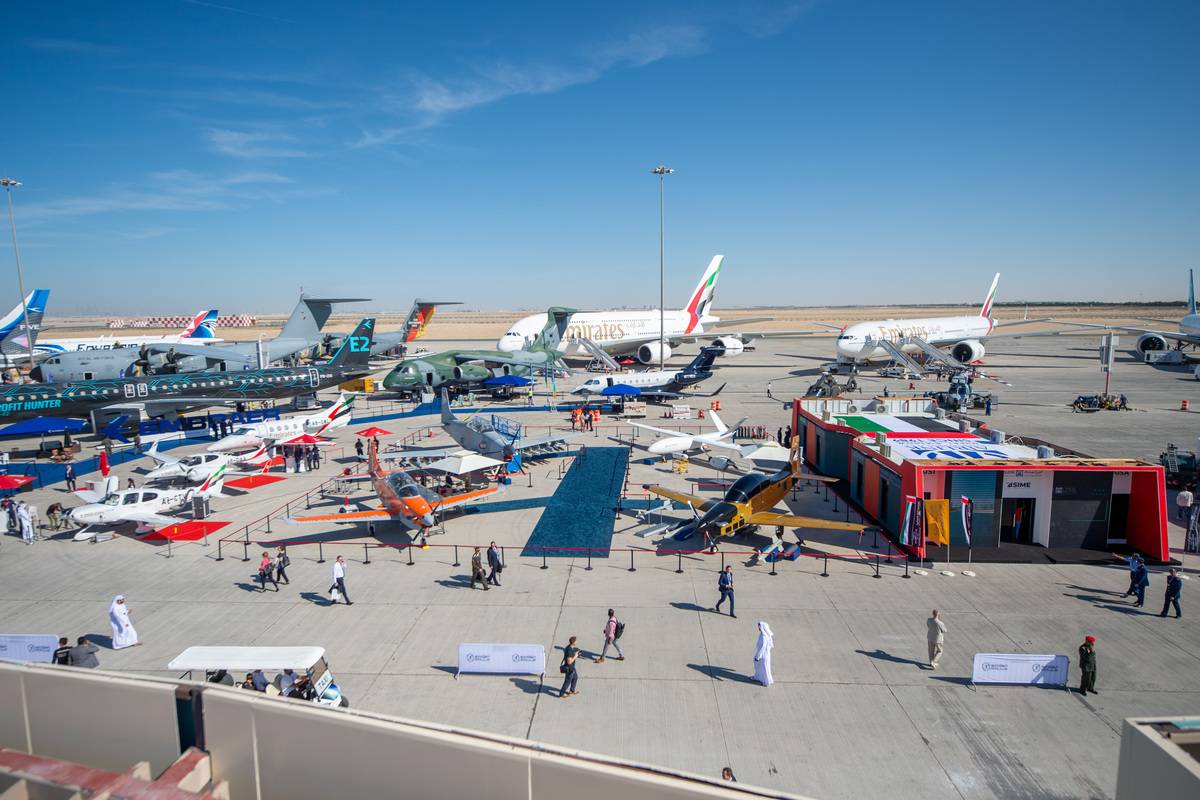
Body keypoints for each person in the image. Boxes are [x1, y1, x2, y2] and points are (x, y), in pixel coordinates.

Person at [753, 622, 774, 686]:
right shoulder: (765, 634)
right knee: (759, 666)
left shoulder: (763, 636)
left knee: (765, 667)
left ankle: (767, 682)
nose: (758, 628)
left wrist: (758, 656)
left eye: (759, 626)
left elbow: (763, 647)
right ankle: (758, 677)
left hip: (763, 655)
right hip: (764, 654)